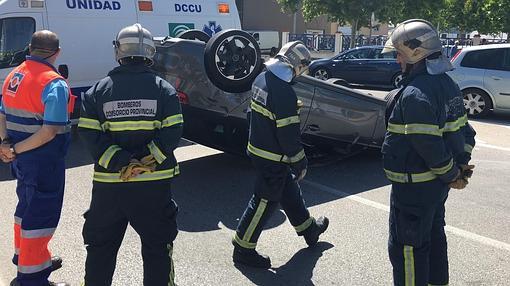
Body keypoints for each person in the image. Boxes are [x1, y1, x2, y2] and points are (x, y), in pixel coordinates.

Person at [78, 23, 182, 286]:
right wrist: (142, 162)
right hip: (153, 188)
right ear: (151, 52)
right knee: (158, 250)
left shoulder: (96, 92)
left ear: (118, 51)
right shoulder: (164, 90)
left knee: (100, 252)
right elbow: (173, 133)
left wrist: (122, 162)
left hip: (110, 188)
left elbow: (90, 135)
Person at [381, 19, 476, 286]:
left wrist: (450, 175)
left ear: (416, 52)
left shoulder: (415, 94)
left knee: (408, 250)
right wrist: (458, 171)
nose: (397, 60)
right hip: (435, 190)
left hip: (414, 192)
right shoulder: (448, 85)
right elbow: (466, 134)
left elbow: (429, 146)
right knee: (434, 237)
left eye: (399, 53)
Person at [232, 41, 329, 268]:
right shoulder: (283, 92)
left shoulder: (261, 79)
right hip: (272, 157)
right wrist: (300, 162)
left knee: (288, 190)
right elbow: (288, 136)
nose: (300, 74)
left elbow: (250, 115)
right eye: (301, 70)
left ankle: (309, 229)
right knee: (264, 200)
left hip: (258, 149)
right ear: (295, 66)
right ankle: (242, 249)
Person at [0, 30, 72, 286]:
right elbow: (49, 131)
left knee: (25, 209)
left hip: (22, 162)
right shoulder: (54, 83)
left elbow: (2, 114)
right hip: (43, 161)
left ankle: (27, 259)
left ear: (29, 48)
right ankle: (32, 279)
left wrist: (7, 144)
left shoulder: (14, 74)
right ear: (57, 53)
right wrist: (16, 149)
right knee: (40, 218)